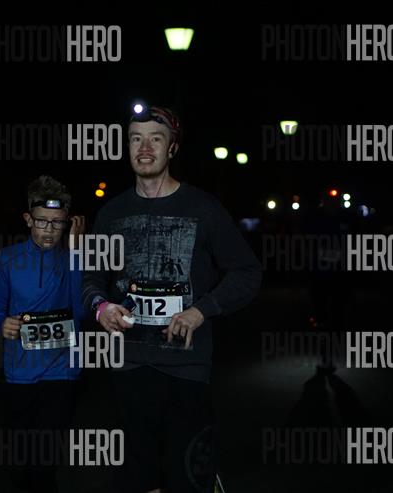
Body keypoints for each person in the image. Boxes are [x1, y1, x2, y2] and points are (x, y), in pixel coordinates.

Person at [82, 106, 262, 492]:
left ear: (173, 148)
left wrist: (200, 311)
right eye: (136, 139)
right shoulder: (111, 213)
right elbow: (91, 277)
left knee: (186, 477)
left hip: (186, 367)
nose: (144, 147)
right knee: (136, 479)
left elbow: (247, 273)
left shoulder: (204, 209)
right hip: (129, 366)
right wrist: (101, 307)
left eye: (156, 139)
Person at [0, 175, 85, 492]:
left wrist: (77, 253)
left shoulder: (74, 258)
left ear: (68, 223)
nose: (49, 230)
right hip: (19, 372)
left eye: (57, 222)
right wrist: (1, 323)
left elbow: (81, 313)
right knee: (19, 463)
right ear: (28, 219)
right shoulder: (7, 258)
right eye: (42, 221)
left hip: (62, 372)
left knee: (45, 463)